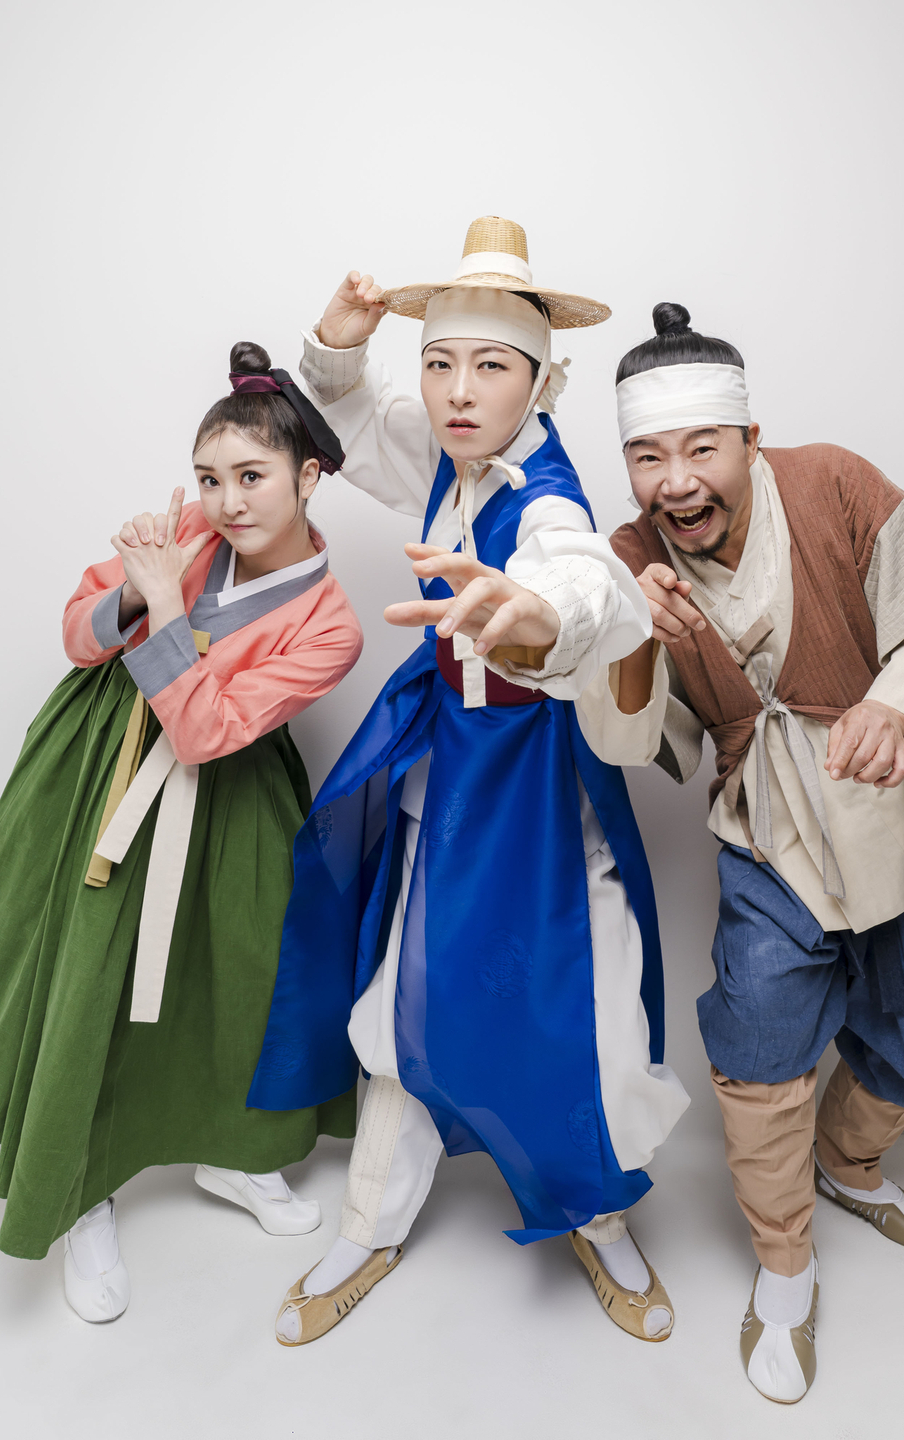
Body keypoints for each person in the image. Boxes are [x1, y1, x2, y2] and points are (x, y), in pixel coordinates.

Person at [249, 218, 690, 1346]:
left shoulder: (546, 493)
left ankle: (598, 1214)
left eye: (489, 365)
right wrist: (338, 348)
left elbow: (583, 577)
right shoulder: (451, 452)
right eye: (439, 361)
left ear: (542, 380)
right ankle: (369, 1227)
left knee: (586, 1013)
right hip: (450, 780)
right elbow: (352, 422)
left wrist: (542, 618)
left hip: (539, 797)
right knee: (404, 995)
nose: (456, 389)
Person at [581, 304, 904, 1402]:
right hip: (765, 825)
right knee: (763, 1033)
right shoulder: (626, 559)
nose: (675, 482)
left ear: (748, 439)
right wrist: (633, 639)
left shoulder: (829, 483)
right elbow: (631, 741)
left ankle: (850, 1160)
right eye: (647, 456)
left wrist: (893, 702)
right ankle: (784, 1264)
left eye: (699, 450)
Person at [0, 343, 365, 1322]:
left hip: (229, 791)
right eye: (209, 478)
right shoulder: (182, 533)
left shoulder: (328, 622)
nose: (224, 501)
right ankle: (79, 1186)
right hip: (105, 773)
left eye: (251, 477)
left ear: (307, 478)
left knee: (244, 977)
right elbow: (79, 634)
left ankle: (235, 1151)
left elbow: (210, 731)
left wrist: (165, 603)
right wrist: (134, 593)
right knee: (92, 975)